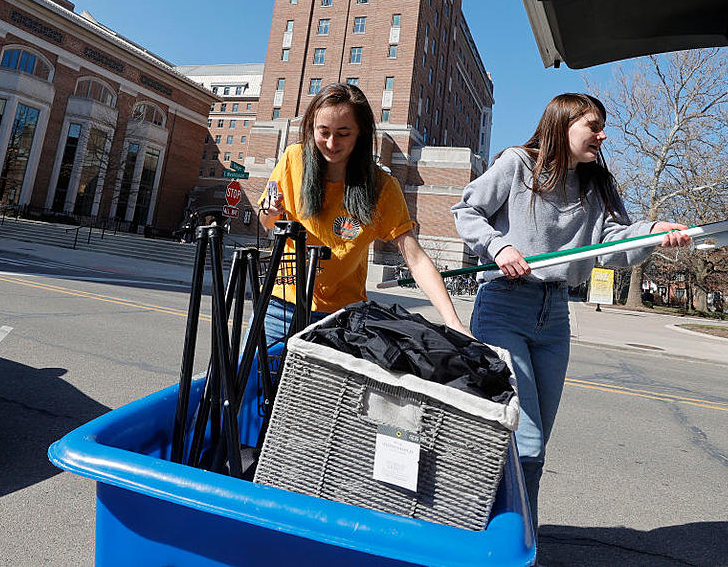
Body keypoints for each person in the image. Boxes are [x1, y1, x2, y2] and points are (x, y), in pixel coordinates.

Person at [452, 93, 692, 530]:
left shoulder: (596, 184)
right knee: (522, 440)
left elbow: (615, 242)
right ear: (563, 124)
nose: (602, 135)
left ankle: (521, 538)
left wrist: (655, 232)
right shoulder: (517, 164)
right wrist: (499, 245)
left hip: (555, 314)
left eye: (602, 127)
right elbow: (466, 210)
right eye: (593, 126)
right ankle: (499, 540)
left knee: (536, 443)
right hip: (505, 304)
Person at [258, 82, 469, 345]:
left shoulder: (381, 187)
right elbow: (267, 222)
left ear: (360, 133)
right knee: (250, 381)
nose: (332, 143)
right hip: (281, 305)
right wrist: (269, 211)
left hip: (341, 317)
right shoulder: (293, 159)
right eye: (323, 132)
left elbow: (416, 260)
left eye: (343, 133)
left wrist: (453, 321)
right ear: (311, 127)